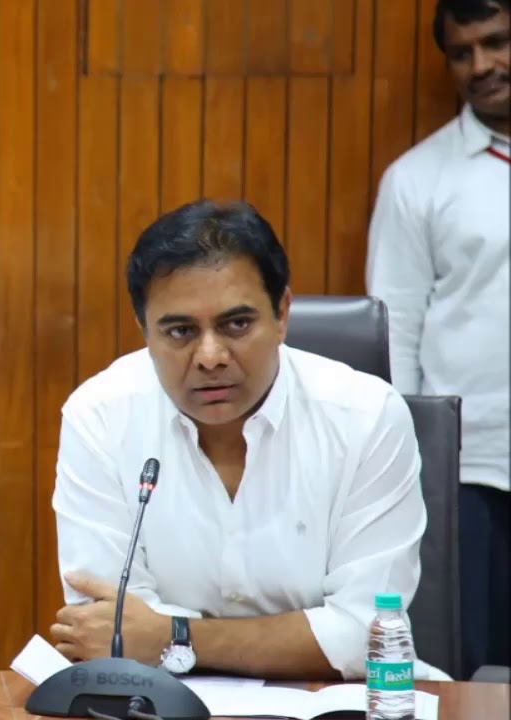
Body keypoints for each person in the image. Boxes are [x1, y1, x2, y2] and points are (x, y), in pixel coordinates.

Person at [49, 200, 447, 681]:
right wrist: (147, 637)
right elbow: (110, 631)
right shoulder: (99, 417)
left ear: (282, 314)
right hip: (160, 703)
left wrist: (173, 636)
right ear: (144, 331)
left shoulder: (366, 417)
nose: (211, 356)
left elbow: (367, 634)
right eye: (180, 331)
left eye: (236, 324)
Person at [365, 0, 509, 680]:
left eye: (498, 42)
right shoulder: (417, 181)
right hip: (471, 469)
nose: (482, 65)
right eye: (462, 52)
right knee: (474, 671)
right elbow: (393, 336)